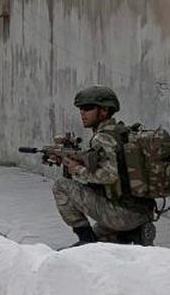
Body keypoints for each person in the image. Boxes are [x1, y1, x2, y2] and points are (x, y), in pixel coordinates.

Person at [50, 86, 156, 246]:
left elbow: (109, 175)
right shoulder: (121, 132)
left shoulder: (103, 138)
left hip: (121, 214)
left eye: (87, 108)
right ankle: (134, 233)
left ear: (104, 111)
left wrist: (76, 169)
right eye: (81, 109)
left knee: (61, 186)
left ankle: (87, 241)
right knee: (105, 240)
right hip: (142, 212)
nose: (82, 113)